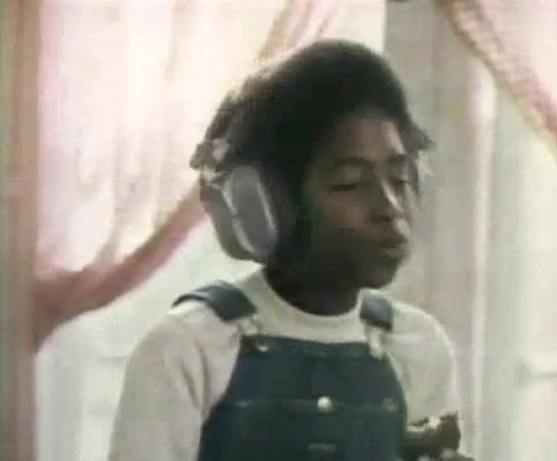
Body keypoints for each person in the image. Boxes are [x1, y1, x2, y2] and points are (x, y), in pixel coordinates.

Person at [109, 39, 468, 461]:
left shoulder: (417, 345)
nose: (389, 208)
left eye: (399, 179)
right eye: (351, 183)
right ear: (264, 204)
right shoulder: (187, 350)